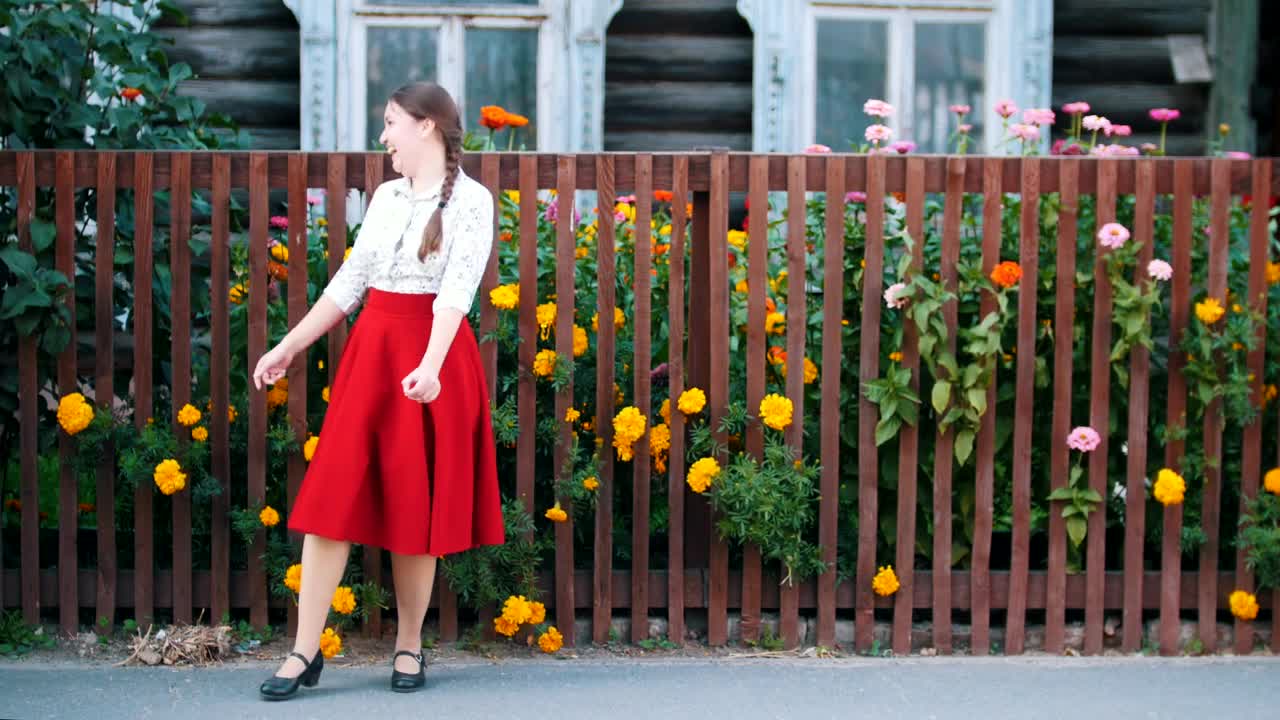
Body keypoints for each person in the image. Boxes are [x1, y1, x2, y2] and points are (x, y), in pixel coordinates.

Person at [252, 81, 505, 700]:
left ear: (426, 126)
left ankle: (409, 644)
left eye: (391, 123)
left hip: (431, 359)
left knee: (413, 505)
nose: (384, 136)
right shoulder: (386, 196)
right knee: (330, 498)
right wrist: (289, 345)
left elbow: (456, 295)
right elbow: (351, 282)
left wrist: (431, 367)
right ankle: (303, 651)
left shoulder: (473, 202)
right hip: (372, 357)